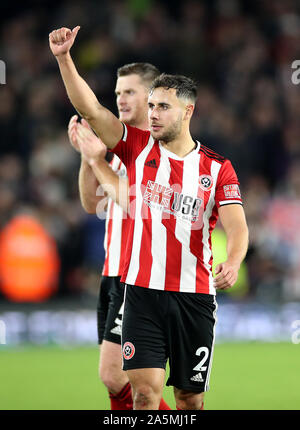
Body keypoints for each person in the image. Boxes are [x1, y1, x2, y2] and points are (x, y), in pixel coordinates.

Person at [49, 26, 249, 410]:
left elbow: (237, 226)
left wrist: (235, 261)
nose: (153, 114)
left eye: (162, 107)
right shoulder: (135, 148)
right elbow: (90, 109)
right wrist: (63, 58)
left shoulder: (218, 168)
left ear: (187, 111)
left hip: (195, 297)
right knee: (143, 393)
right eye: (152, 105)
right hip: (141, 293)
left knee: (189, 400)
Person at [66, 62, 171, 410]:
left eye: (129, 92)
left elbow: (133, 200)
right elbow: (91, 202)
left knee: (120, 378)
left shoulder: (156, 148)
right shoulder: (119, 152)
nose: (121, 100)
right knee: (120, 384)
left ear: (152, 97)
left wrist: (98, 161)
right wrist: (88, 159)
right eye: (117, 94)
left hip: (139, 277)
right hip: (112, 275)